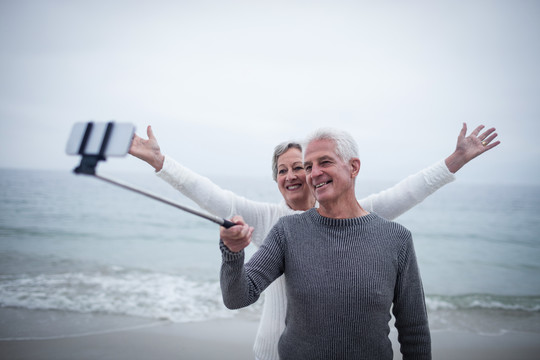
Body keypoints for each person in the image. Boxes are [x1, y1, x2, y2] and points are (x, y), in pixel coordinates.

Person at [129, 123, 499, 360]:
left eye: (302, 167)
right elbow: (207, 194)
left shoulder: (379, 228)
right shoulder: (274, 224)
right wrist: (162, 164)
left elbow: (409, 191)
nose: (298, 175)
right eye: (285, 170)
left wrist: (455, 160)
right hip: (274, 353)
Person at [220, 128, 431, 359]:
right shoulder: (287, 232)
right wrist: (232, 252)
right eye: (308, 166)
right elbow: (237, 297)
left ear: (353, 167)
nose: (314, 173)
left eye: (325, 162)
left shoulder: (397, 239)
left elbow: (414, 330)